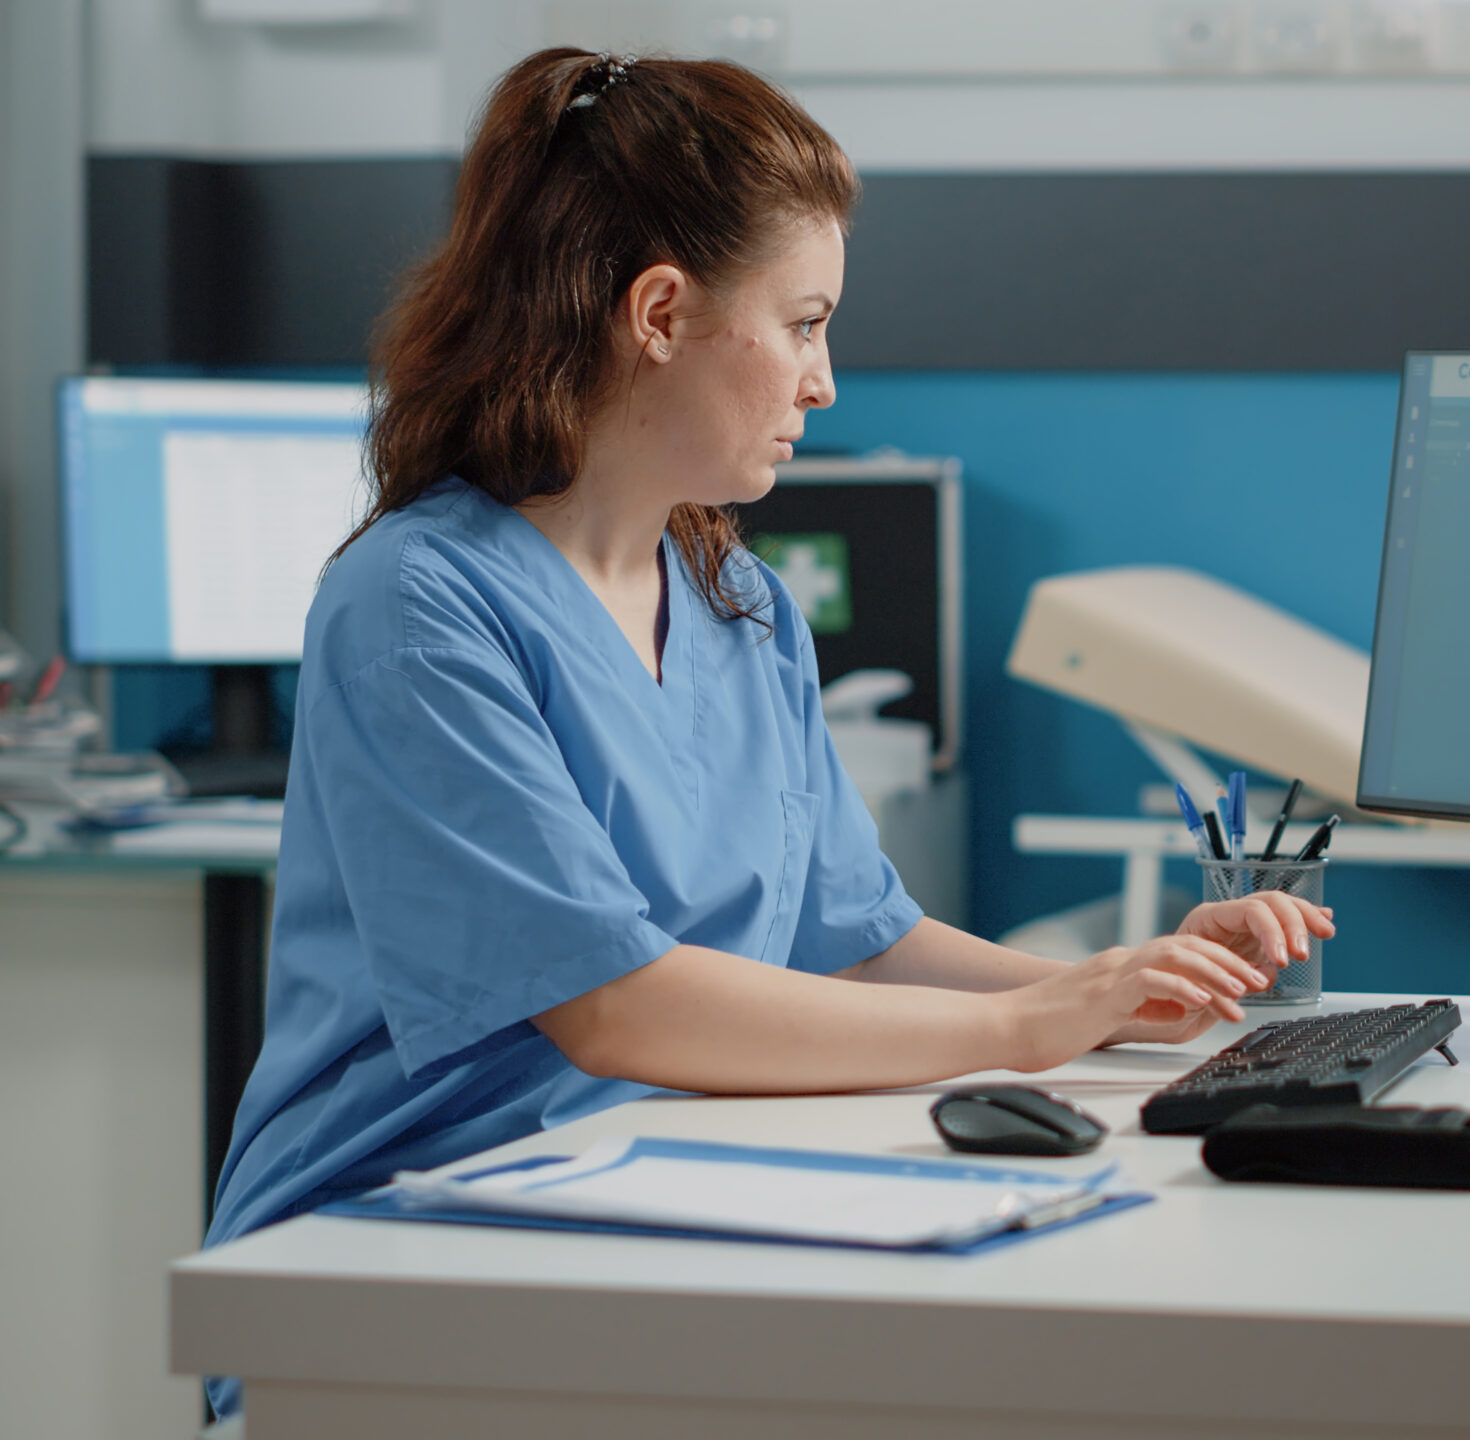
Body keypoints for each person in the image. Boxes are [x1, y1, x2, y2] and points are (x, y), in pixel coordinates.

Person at [202, 49, 1330, 1419]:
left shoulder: (742, 610)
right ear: (661, 312)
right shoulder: (416, 606)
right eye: (803, 324)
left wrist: (1121, 991)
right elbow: (615, 1004)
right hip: (393, 1258)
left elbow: (858, 941)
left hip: (651, 1206)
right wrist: (1036, 1024)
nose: (827, 381)